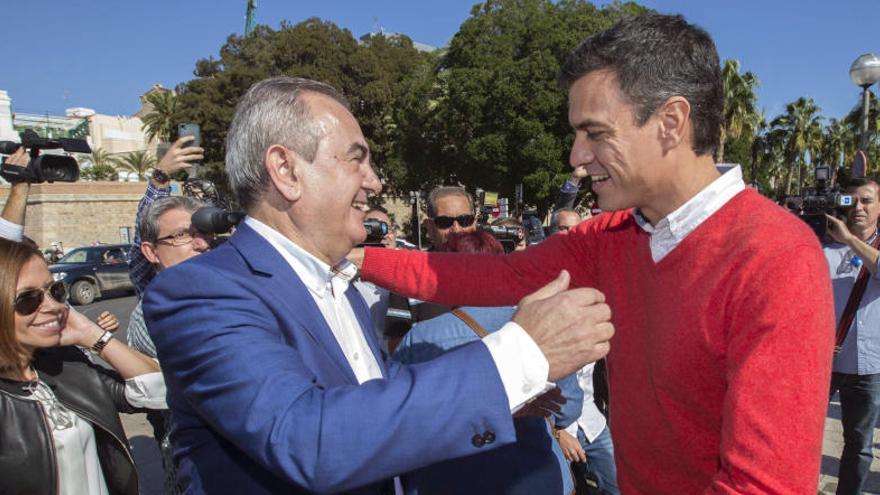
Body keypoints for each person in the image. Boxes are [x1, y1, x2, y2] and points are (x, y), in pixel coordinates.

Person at [359, 13, 833, 494]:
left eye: (596, 133)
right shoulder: (611, 238)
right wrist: (354, 257)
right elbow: (492, 277)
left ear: (671, 122)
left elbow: (763, 485)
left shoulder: (776, 257)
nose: (576, 157)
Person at [143, 76, 613, 494]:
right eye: (356, 160)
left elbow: (372, 410)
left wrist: (497, 400)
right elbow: (310, 440)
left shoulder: (340, 287)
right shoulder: (199, 292)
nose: (374, 181)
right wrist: (521, 353)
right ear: (285, 171)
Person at [393, 229, 581, 495]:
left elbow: (401, 419)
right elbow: (569, 408)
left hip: (455, 478)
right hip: (536, 474)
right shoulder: (542, 325)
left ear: (446, 276)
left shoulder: (421, 338)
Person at [0, 237, 166, 495]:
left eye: (54, 291)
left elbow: (159, 390)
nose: (54, 307)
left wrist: (92, 336)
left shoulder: (63, 364)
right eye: (28, 300)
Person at [126, 195, 210, 494]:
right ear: (151, 252)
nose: (200, 244)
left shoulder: (221, 296)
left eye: (202, 233)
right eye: (183, 236)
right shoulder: (150, 318)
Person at [825, 177, 880, 495]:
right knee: (800, 433)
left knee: (859, 445)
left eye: (867, 200)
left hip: (867, 366)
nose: (858, 207)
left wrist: (849, 239)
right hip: (823, 362)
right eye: (851, 201)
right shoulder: (823, 247)